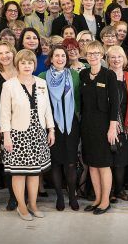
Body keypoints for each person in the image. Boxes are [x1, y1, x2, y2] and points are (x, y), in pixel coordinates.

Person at [0, 49, 55, 220]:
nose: (27, 65)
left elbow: (47, 109)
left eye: (30, 62)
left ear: (34, 64)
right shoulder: (9, 85)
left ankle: (33, 204)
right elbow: (4, 113)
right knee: (19, 173)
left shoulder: (41, 83)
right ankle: (22, 207)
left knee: (34, 172)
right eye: (23, 62)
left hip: (37, 133)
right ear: (18, 64)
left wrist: (51, 129)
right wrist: (6, 136)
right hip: (17, 134)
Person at [39, 45, 80, 211]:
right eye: (57, 55)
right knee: (55, 163)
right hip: (52, 125)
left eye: (63, 55)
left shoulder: (75, 75)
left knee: (70, 163)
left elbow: (79, 99)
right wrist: (49, 127)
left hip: (71, 124)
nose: (60, 59)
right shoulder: (42, 77)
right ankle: (59, 197)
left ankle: (72, 196)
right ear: (51, 57)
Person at [79, 41, 119, 215]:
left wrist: (112, 127)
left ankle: (105, 201)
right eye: (89, 53)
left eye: (96, 53)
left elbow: (115, 103)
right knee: (92, 165)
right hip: (87, 125)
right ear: (85, 56)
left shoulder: (109, 75)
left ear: (102, 55)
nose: (93, 56)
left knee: (103, 165)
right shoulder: (83, 75)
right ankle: (97, 198)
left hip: (104, 125)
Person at [107, 46, 128, 202]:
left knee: (122, 161)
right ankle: (109, 192)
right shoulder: (104, 76)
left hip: (127, 125)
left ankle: (120, 190)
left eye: (119, 57)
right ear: (108, 60)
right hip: (108, 126)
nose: (116, 60)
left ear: (124, 59)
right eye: (113, 57)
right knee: (108, 161)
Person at [0, 41, 18, 211]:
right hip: (3, 124)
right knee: (8, 162)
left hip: (21, 122)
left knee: (21, 162)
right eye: (1, 53)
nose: (5, 56)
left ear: (13, 53)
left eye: (7, 52)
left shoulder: (20, 70)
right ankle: (13, 198)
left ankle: (24, 196)